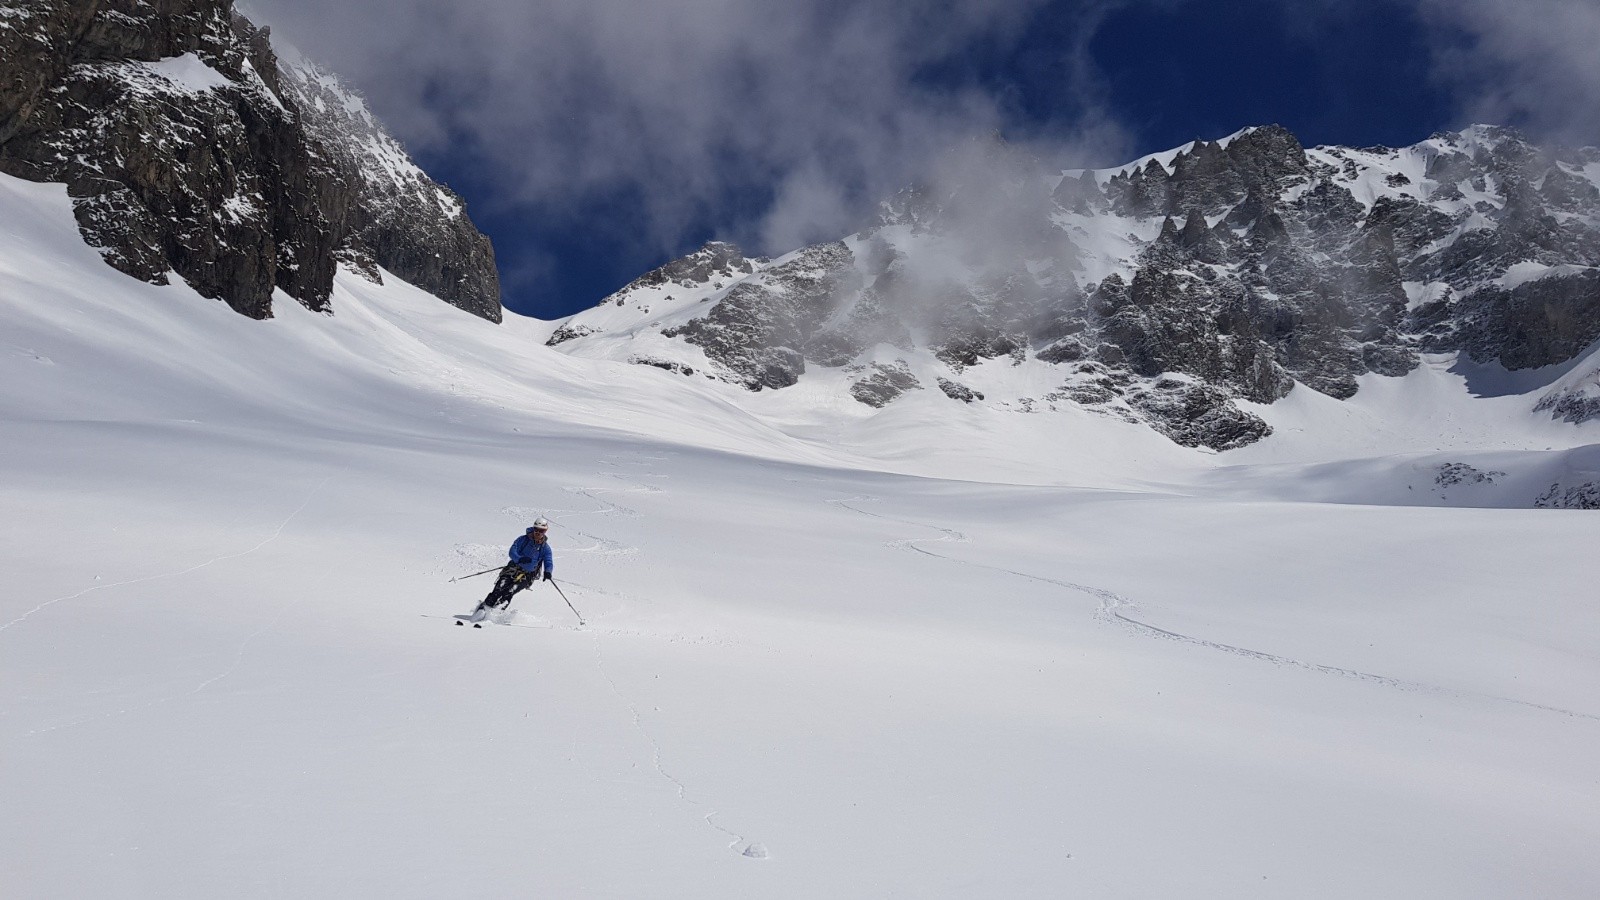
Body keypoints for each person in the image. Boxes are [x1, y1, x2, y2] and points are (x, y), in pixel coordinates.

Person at [474, 518, 555, 617]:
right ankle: (482, 611)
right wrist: (519, 559)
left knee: (509, 591)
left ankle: (495, 615)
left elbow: (548, 561)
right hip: (512, 569)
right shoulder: (523, 539)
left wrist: (548, 571)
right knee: (499, 588)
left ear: (545, 531)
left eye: (541, 530)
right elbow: (512, 551)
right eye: (536, 529)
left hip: (528, 575)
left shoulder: (545, 548)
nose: (538, 532)